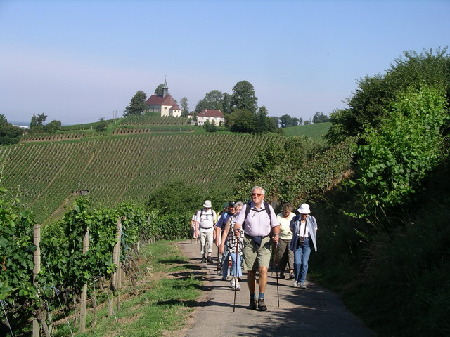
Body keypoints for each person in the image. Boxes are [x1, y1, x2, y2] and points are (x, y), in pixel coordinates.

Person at [234, 186, 279, 311]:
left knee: (263, 269)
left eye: (258, 195)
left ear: (263, 196)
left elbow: (275, 225)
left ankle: (261, 299)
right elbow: (238, 223)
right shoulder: (246, 208)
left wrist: (276, 235)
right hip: (249, 241)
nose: (255, 196)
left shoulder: (268, 208)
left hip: (265, 241)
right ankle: (252, 298)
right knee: (251, 271)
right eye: (253, 194)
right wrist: (237, 230)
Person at [289, 203, 318, 289]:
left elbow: (315, 230)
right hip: (297, 241)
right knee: (297, 262)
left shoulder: (312, 220)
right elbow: (291, 228)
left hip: (307, 242)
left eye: (305, 214)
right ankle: (296, 280)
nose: (304, 215)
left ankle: (302, 282)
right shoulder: (295, 219)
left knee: (305, 263)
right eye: (302, 213)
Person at [219, 201, 244, 287]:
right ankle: (235, 280)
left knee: (239, 262)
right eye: (237, 209)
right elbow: (225, 232)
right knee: (235, 261)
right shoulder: (231, 219)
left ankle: (234, 277)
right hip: (232, 243)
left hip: (242, 244)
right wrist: (222, 244)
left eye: (240, 210)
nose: (238, 211)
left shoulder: (246, 220)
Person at [276, 203, 296, 279]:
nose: (286, 213)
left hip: (291, 238)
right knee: (282, 255)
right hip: (282, 238)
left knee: (291, 254)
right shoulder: (279, 216)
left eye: (288, 212)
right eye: (285, 212)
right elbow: (277, 225)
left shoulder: (293, 216)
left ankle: (291, 271)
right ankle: (282, 271)